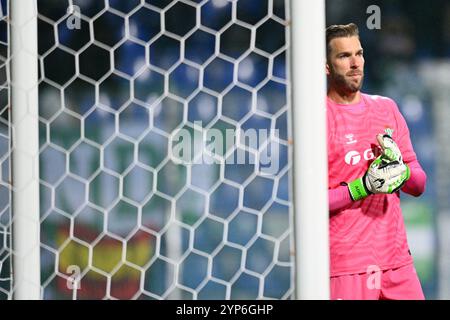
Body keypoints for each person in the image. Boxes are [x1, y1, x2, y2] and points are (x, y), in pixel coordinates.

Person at [326, 23, 427, 300]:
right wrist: (364, 186)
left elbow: (419, 184)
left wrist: (401, 171)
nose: (355, 62)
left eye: (359, 53)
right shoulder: (317, 118)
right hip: (346, 267)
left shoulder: (386, 109)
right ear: (325, 66)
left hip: (397, 263)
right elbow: (311, 203)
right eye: (344, 56)